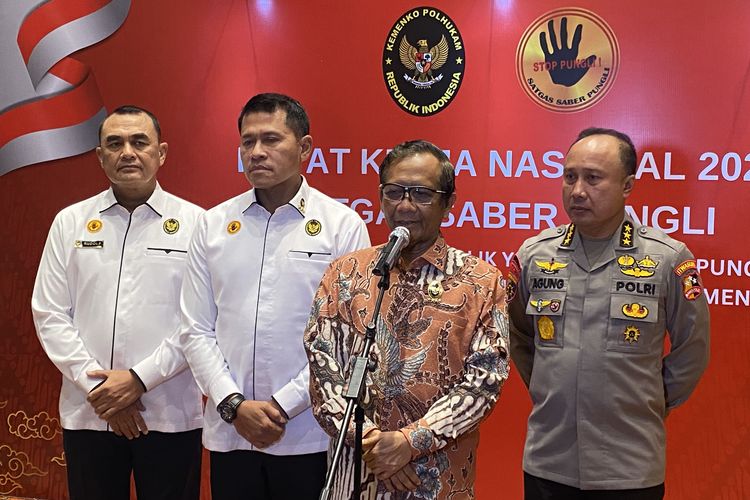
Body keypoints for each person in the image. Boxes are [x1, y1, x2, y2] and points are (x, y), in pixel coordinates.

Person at [179, 93, 370, 499]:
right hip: (231, 430)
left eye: (271, 140)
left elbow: (347, 338)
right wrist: (232, 405)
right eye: (248, 142)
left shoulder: (342, 227)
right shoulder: (213, 224)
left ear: (304, 148)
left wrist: (282, 406)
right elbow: (195, 328)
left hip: (307, 429)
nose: (257, 152)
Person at [508, 127, 710, 499]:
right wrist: (552, 388)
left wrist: (646, 401)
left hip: (630, 465)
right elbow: (518, 335)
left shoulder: (668, 258)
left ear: (628, 186)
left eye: (593, 178)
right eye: (570, 177)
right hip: (548, 460)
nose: (578, 190)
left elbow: (692, 349)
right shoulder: (535, 256)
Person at [304, 139, 510, 499]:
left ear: (449, 203)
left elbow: (484, 383)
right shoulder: (346, 273)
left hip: (438, 481)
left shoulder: (482, 282)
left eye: (422, 194)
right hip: (355, 476)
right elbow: (322, 365)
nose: (405, 205)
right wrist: (374, 446)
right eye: (394, 192)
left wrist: (407, 444)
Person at [31, 105, 204, 500]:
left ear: (161, 153)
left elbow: (198, 321)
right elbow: (50, 312)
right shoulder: (70, 222)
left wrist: (138, 380)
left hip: (169, 412)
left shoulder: (197, 224)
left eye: (139, 142)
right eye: (115, 143)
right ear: (100, 156)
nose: (128, 152)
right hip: (89, 412)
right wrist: (102, 390)